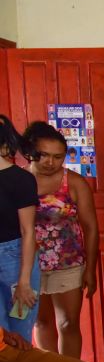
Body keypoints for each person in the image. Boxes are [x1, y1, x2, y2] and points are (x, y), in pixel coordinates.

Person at [25, 122, 101, 362]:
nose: (50, 162)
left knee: (68, 324)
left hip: (68, 264)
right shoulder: (18, 182)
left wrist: (91, 269)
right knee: (41, 323)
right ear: (30, 153)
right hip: (28, 267)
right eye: (43, 155)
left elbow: (91, 228)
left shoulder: (74, 183)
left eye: (58, 156)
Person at [0, 116, 40, 342]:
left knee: (19, 336)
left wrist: (24, 282)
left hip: (16, 259)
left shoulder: (21, 179)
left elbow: (28, 231)